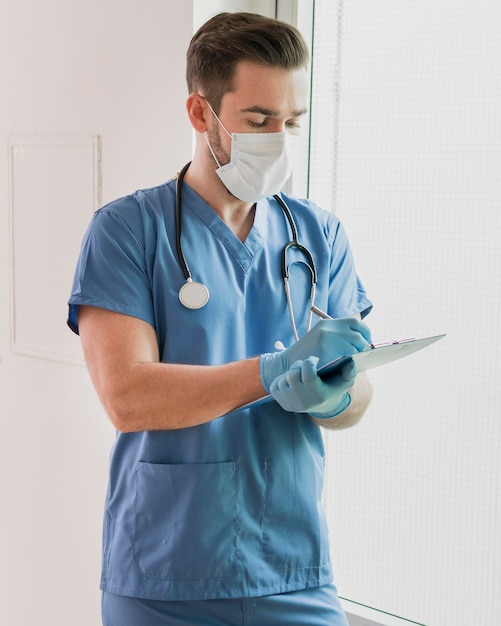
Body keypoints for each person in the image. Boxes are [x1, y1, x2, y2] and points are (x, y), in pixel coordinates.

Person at [67, 11, 373, 626]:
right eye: (258, 120)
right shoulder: (128, 231)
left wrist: (333, 395)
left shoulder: (318, 235)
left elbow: (359, 395)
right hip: (164, 569)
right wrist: (272, 372)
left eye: (292, 121)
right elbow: (127, 395)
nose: (279, 139)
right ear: (200, 113)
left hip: (291, 564)